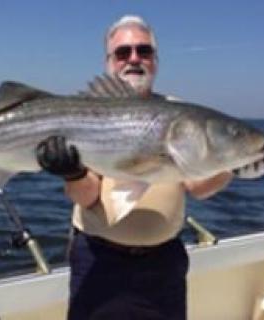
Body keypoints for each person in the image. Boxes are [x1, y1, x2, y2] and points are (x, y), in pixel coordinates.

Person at [36, 15, 233, 320]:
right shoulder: (87, 112)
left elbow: (198, 187)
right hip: (99, 259)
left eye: (143, 51)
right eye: (122, 52)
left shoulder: (180, 114)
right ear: (108, 61)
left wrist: (231, 163)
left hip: (163, 263)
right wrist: (72, 172)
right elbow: (87, 197)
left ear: (156, 60)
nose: (133, 59)